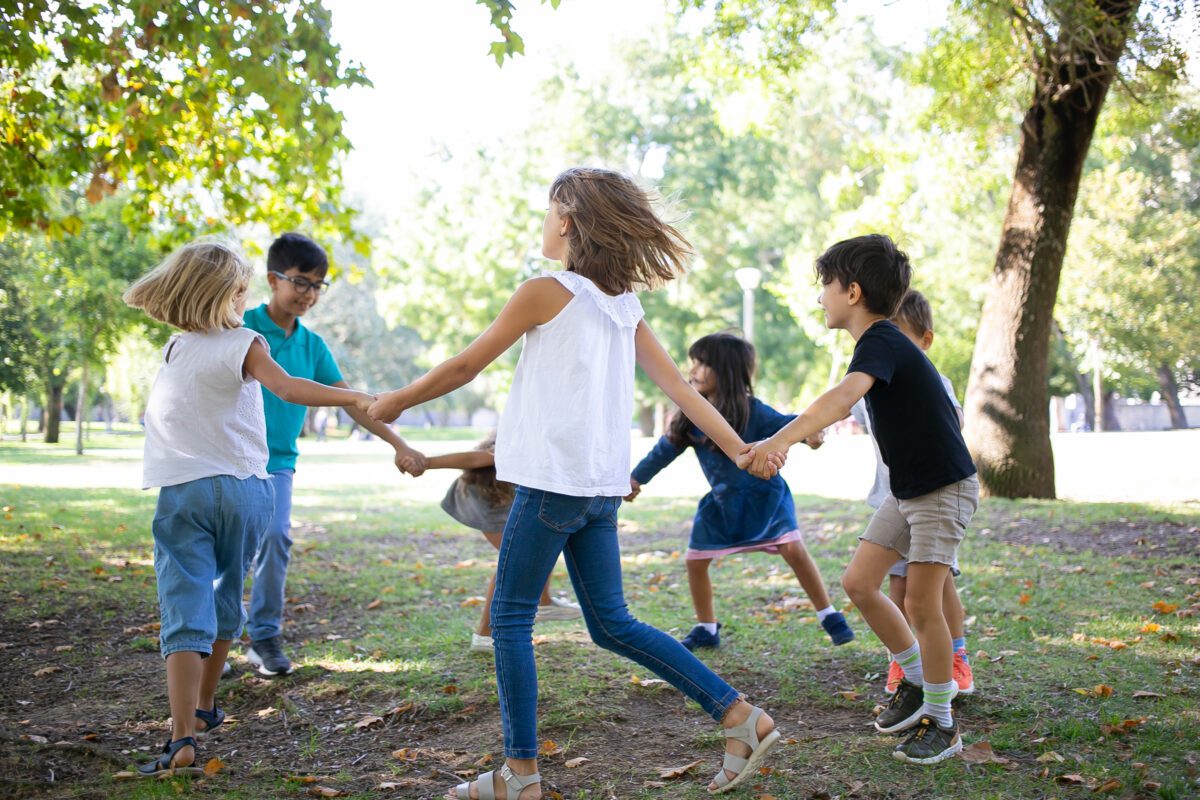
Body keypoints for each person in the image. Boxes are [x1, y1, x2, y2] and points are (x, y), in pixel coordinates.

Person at [369, 167, 784, 798]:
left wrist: (397, 400)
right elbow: (681, 391)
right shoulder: (624, 307)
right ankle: (739, 717)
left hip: (553, 488)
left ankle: (521, 774)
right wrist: (741, 447)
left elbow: (464, 364)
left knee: (509, 621)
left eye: (547, 209)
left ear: (566, 221)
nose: (542, 221)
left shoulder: (545, 290)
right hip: (597, 492)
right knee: (611, 623)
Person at [123, 239, 373, 776]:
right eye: (242, 290)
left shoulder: (174, 350)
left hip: (185, 492)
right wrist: (353, 397)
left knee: (185, 602)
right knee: (227, 591)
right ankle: (209, 703)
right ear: (231, 294)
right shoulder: (245, 340)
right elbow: (286, 387)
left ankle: (182, 735)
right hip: (246, 489)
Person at [741, 234, 978, 766]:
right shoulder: (880, 344)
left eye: (824, 286)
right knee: (858, 582)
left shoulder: (883, 339)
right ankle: (917, 684)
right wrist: (799, 432)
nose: (819, 297)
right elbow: (846, 404)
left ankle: (942, 719)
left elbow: (844, 395)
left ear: (852, 291)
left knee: (921, 602)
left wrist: (781, 440)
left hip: (942, 489)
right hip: (909, 489)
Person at [241, 233, 426, 677]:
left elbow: (351, 402)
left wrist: (400, 444)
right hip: (232, 461)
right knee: (227, 553)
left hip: (279, 462)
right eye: (301, 282)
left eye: (318, 285)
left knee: (276, 538)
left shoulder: (312, 347)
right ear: (273, 279)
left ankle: (264, 636)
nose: (310, 294)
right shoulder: (241, 328)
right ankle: (211, 639)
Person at [626, 332, 854, 650]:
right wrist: (636, 479)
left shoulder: (753, 411)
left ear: (726, 371)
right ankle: (706, 627)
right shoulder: (691, 417)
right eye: (692, 362)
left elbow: (791, 425)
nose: (692, 370)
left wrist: (812, 433)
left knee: (793, 550)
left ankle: (828, 614)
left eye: (702, 363)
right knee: (695, 560)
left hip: (767, 498)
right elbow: (664, 451)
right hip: (722, 506)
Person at [850, 291, 973, 697]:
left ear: (924, 340)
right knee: (891, 588)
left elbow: (949, 431)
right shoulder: (868, 370)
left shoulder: (932, 380)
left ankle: (951, 667)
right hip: (894, 494)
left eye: (900, 336)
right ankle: (910, 666)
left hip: (935, 491)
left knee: (930, 593)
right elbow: (844, 405)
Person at [407, 432, 582, 654]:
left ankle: (544, 603)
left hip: (509, 491)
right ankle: (484, 634)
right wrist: (427, 463)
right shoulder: (527, 437)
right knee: (515, 559)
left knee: (541, 546)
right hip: (485, 494)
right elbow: (476, 459)